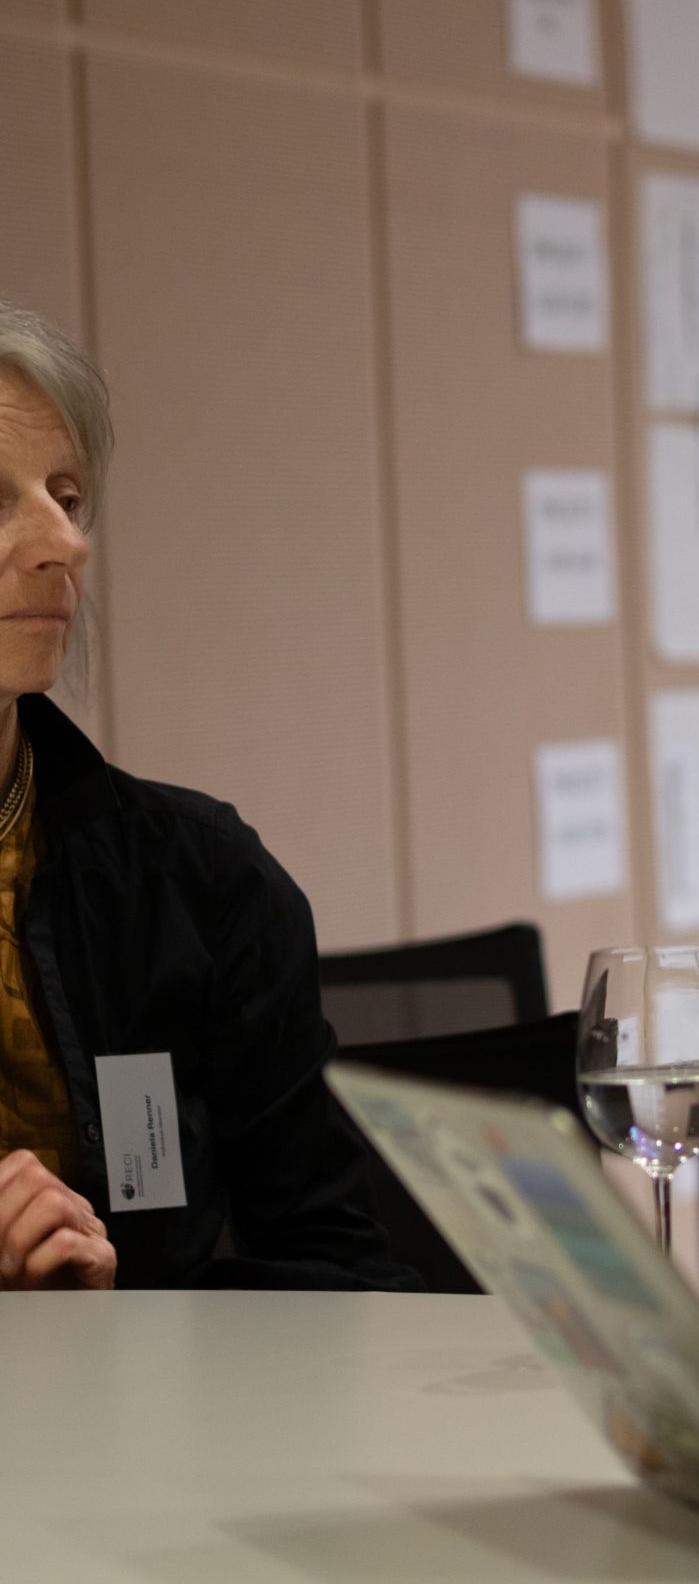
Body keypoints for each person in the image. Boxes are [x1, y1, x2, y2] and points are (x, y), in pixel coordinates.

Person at [0, 300, 407, 1291]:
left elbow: (342, 1272)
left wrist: (123, 1318)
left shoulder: (199, 880)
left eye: (68, 496)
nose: (66, 542)